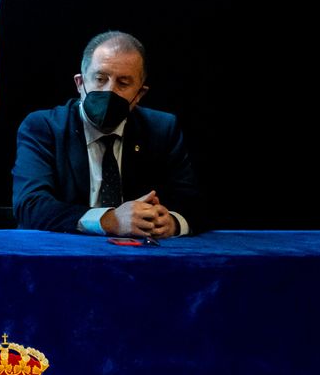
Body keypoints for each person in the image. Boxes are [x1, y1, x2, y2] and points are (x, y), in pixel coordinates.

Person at [12, 31, 205, 237]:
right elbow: (30, 205)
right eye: (100, 79)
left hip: (139, 258)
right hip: (63, 255)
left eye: (123, 83)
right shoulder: (44, 127)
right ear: (80, 83)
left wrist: (172, 222)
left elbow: (193, 204)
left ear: (140, 94)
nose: (109, 91)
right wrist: (108, 220)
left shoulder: (161, 129)